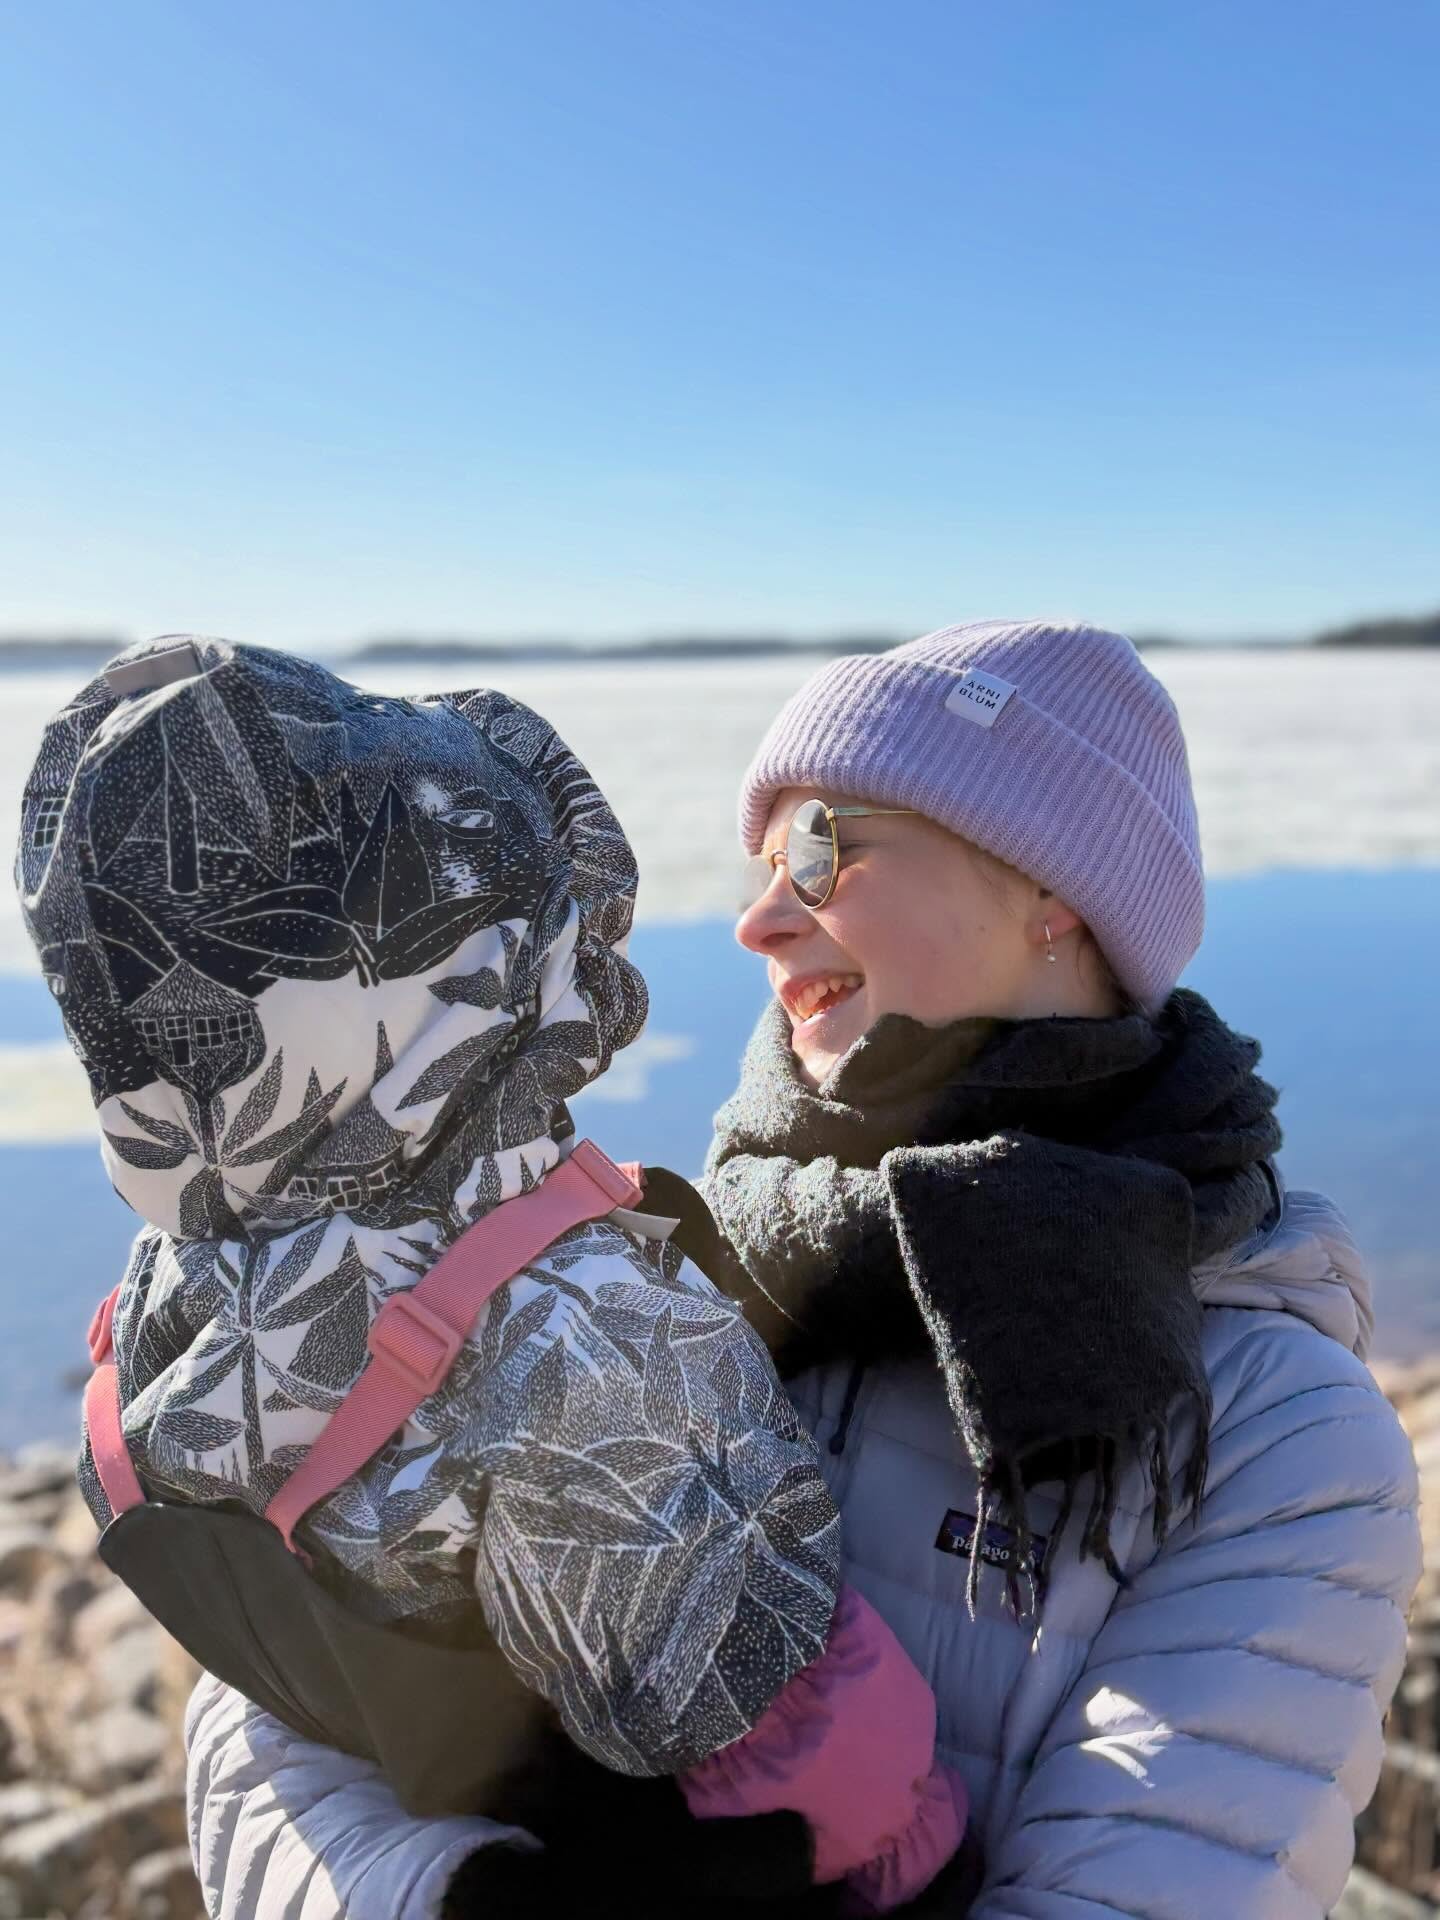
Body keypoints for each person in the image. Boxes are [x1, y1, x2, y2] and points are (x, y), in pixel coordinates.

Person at [181, 620, 1421, 1918]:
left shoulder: (1277, 1437)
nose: (760, 923)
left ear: (1052, 890)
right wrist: (462, 1896)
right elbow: (271, 1700)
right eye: (763, 866)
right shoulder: (652, 1269)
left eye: (823, 849)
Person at [18, 636, 970, 1919]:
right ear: (473, 956)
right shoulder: (576, 1325)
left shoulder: (190, 1258)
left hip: (394, 1780)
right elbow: (735, 1697)